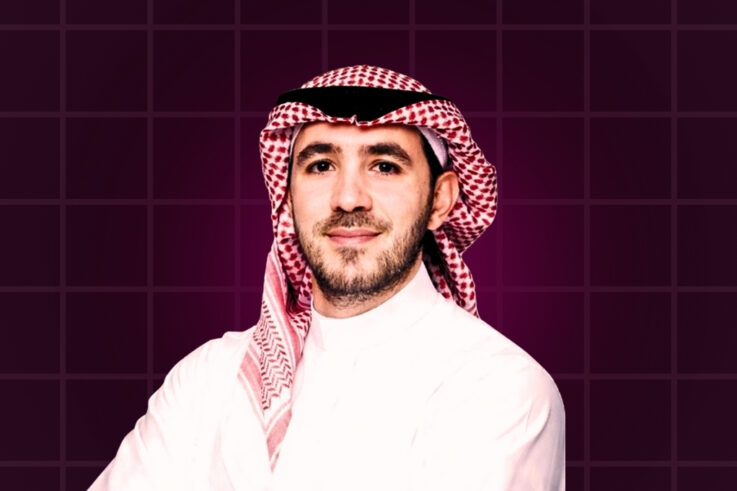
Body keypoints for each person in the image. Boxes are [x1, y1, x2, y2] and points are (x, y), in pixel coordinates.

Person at [91, 65, 565, 490]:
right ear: (288, 196)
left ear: (439, 200)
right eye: (321, 166)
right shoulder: (208, 377)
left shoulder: (500, 388)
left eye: (384, 166)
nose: (348, 198)